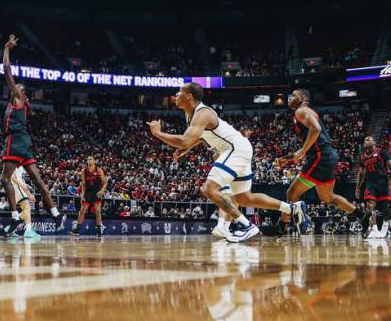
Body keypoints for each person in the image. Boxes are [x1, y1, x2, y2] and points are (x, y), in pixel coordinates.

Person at [148, 82, 306, 242]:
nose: (175, 95)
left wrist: (158, 133)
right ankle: (291, 208)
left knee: (209, 189)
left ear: (189, 95)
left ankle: (247, 226)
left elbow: (185, 140)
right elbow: (198, 136)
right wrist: (186, 148)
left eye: (179, 91)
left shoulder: (202, 113)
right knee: (244, 198)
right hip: (239, 149)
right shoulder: (191, 114)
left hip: (234, 149)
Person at [0, 35, 65, 238]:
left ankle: (15, 218)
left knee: (5, 178)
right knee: (38, 180)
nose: (16, 89)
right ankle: (56, 214)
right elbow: (12, 127)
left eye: (20, 89)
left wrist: (7, 49)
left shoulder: (18, 98)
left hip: (16, 141)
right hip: (22, 140)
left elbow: (7, 70)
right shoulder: (15, 107)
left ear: (22, 94)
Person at [279, 89, 360, 233]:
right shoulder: (307, 111)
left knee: (292, 194)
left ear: (302, 98)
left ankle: (282, 227)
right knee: (328, 197)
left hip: (320, 157)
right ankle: (362, 215)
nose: (289, 98)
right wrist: (292, 156)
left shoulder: (301, 111)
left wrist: (303, 151)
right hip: (327, 156)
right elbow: (315, 138)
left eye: (293, 96)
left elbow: (315, 129)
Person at [355, 136, 391, 240]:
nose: (366, 142)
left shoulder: (381, 152)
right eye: (365, 140)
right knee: (370, 206)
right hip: (370, 183)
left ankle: (385, 226)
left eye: (368, 140)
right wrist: (358, 188)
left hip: (383, 182)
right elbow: (360, 174)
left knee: (385, 207)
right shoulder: (362, 156)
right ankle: (374, 228)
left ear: (374, 142)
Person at [71, 156, 107, 238]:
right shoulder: (84, 171)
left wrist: (102, 191)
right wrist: (82, 194)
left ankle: (99, 232)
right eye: (88, 159)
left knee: (98, 211)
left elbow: (105, 182)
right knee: (82, 210)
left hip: (97, 192)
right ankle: (77, 230)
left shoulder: (98, 170)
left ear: (94, 161)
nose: (89, 161)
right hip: (88, 193)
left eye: (91, 159)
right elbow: (83, 184)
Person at [8, 166, 40, 241]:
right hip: (16, 187)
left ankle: (10, 228)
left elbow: (22, 181)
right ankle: (28, 231)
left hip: (19, 187)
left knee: (26, 210)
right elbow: (11, 177)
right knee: (27, 207)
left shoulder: (22, 167)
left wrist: (29, 194)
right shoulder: (15, 163)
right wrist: (22, 186)